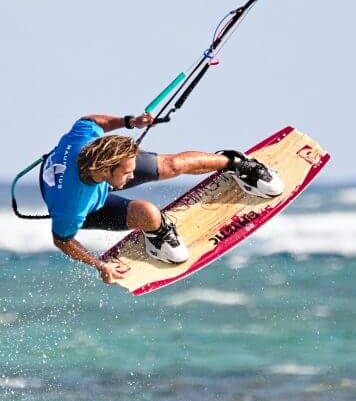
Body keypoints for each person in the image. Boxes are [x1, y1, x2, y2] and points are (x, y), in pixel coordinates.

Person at [41, 112, 284, 284]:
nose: (133, 175)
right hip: (85, 199)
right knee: (149, 214)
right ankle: (157, 234)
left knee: (173, 164)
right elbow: (62, 240)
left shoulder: (82, 140)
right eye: (127, 173)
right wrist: (99, 264)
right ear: (106, 170)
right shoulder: (72, 207)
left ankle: (236, 162)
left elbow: (90, 121)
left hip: (90, 175)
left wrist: (129, 121)